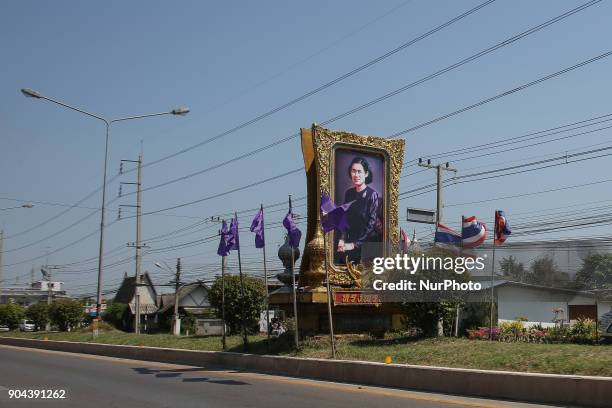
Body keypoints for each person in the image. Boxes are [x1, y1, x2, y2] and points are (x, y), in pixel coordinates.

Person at [337, 156, 381, 264]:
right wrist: (342, 239)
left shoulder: (372, 195)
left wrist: (354, 245)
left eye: (359, 171)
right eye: (353, 171)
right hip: (348, 244)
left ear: (366, 173)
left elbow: (371, 225)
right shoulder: (349, 193)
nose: (356, 175)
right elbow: (344, 219)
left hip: (366, 246)